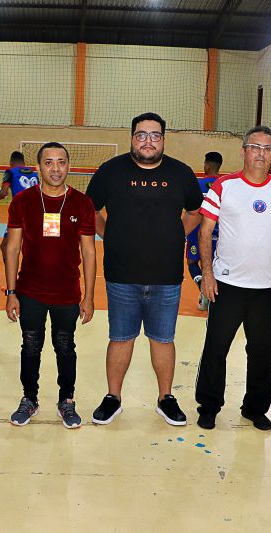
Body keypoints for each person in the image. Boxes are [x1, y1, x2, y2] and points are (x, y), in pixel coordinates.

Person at [85, 112, 203, 426]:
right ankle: (113, 397)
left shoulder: (180, 173)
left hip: (166, 276)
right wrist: (109, 234)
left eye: (154, 135)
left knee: (163, 339)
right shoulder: (111, 171)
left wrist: (176, 233)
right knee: (120, 337)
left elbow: (195, 211)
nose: (148, 141)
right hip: (121, 275)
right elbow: (90, 210)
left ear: (163, 139)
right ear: (132, 138)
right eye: (141, 135)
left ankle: (166, 398)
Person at [194, 126, 271, 431]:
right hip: (227, 284)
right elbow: (205, 232)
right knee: (216, 347)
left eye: (267, 149)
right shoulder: (224, 186)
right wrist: (207, 274)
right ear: (243, 151)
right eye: (255, 147)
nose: (261, 154)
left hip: (266, 288)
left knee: (262, 351)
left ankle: (255, 408)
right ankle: (209, 406)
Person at [4, 142, 96, 429]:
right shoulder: (22, 202)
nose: (55, 169)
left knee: (65, 346)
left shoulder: (81, 203)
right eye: (48, 162)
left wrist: (89, 296)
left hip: (67, 292)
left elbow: (89, 251)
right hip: (30, 290)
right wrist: (11, 292)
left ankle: (66, 400)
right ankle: (29, 398)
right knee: (31, 345)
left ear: (68, 166)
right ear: (38, 167)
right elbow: (12, 249)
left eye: (61, 162)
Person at [185, 151, 222, 311]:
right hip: (219, 232)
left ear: (206, 165)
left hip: (197, 231)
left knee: (192, 262)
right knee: (215, 264)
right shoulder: (224, 185)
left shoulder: (196, 184)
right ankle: (214, 296)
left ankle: (202, 285)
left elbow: (189, 210)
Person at [0, 150, 38, 268]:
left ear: (11, 163)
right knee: (32, 247)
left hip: (20, 214)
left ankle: (12, 278)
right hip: (36, 213)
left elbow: (3, 193)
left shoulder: (10, 172)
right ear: (23, 162)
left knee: (6, 246)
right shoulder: (34, 174)